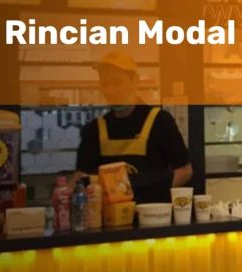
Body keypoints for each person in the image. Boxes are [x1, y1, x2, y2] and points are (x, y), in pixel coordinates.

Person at [75, 50, 192, 203]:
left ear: (135, 81)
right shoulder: (94, 130)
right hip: (110, 216)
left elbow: (185, 170)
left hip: (152, 214)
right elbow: (82, 175)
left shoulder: (160, 122)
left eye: (117, 82)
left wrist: (158, 192)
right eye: (105, 84)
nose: (110, 90)